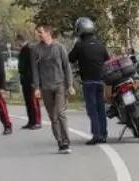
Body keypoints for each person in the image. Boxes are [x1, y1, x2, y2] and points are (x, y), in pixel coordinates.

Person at [31, 23, 73, 154]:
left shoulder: (59, 47)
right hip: (45, 87)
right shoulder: (36, 50)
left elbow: (67, 67)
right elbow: (35, 70)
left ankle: (66, 141)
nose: (38, 34)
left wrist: (70, 85)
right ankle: (60, 142)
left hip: (60, 85)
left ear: (48, 32)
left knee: (60, 113)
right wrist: (37, 88)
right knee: (52, 117)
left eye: (40, 32)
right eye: (37, 32)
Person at [68, 17, 109, 145]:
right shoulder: (100, 45)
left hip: (88, 82)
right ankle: (103, 133)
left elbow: (70, 58)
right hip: (101, 81)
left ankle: (96, 135)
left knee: (92, 109)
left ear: (80, 29)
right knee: (101, 108)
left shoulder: (80, 46)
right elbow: (106, 59)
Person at [15, 32, 41, 129]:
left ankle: (37, 121)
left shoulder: (29, 50)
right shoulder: (23, 50)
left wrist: (34, 81)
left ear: (21, 40)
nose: (17, 44)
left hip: (31, 80)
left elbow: (33, 66)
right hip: (25, 79)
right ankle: (31, 121)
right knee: (28, 102)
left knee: (33, 102)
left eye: (17, 41)